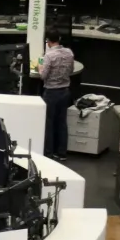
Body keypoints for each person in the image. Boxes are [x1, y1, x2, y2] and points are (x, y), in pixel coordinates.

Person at [39, 29, 75, 161]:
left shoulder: (49, 56)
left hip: (51, 93)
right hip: (65, 91)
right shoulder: (69, 53)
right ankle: (61, 153)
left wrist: (39, 66)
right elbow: (71, 70)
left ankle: (49, 153)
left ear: (48, 42)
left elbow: (43, 76)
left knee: (49, 123)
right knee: (62, 123)